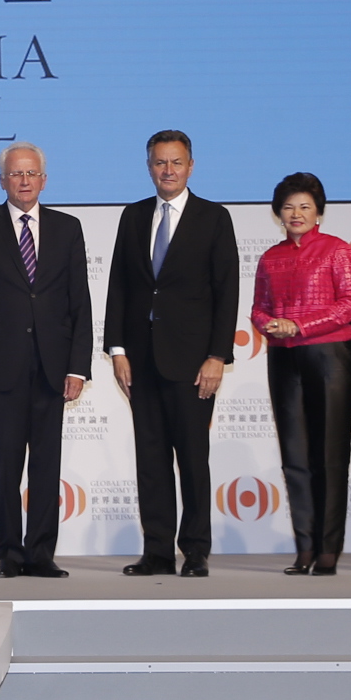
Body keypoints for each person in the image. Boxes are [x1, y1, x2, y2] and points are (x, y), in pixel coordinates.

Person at [0, 144, 92, 580]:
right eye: (16, 174)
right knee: (7, 466)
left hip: (54, 367)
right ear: (3, 181)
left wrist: (78, 366)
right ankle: (10, 554)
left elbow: (80, 302)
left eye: (32, 173)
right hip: (1, 368)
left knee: (47, 467)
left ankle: (41, 554)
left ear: (44, 180)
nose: (25, 180)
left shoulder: (68, 228)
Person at [105, 131, 238, 578]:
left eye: (176, 162)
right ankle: (157, 551)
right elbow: (120, 285)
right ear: (149, 167)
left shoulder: (213, 217)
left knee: (193, 459)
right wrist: (117, 349)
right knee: (152, 460)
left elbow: (227, 291)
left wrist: (217, 355)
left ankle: (196, 550)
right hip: (141, 360)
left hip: (193, 362)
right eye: (160, 162)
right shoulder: (134, 215)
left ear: (190, 166)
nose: (168, 170)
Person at [252, 173, 351, 576]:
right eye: (288, 207)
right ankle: (305, 546)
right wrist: (269, 325)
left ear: (318, 213)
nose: (296, 213)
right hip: (283, 358)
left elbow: (350, 304)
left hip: (329, 356)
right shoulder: (270, 257)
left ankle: (328, 548)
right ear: (278, 213)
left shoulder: (336, 250)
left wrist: (299, 326)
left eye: (305, 207)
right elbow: (258, 307)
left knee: (329, 454)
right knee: (295, 455)